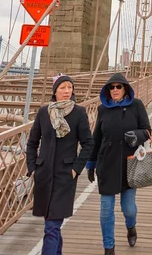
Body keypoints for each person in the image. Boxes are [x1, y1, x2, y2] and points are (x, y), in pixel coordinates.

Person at [26, 75, 93, 255]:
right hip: (44, 175)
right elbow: (32, 143)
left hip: (65, 176)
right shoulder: (43, 113)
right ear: (55, 91)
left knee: (51, 226)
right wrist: (33, 168)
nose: (66, 91)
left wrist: (75, 169)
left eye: (69, 88)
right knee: (52, 224)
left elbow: (88, 143)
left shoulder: (78, 113)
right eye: (62, 87)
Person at [86, 73, 152, 255]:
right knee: (106, 210)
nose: (114, 90)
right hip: (107, 163)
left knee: (128, 209)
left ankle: (131, 226)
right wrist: (91, 163)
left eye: (118, 87)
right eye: (111, 87)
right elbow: (96, 137)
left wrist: (137, 136)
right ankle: (109, 248)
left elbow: (147, 130)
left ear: (125, 89)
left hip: (130, 164)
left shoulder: (136, 105)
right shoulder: (102, 109)